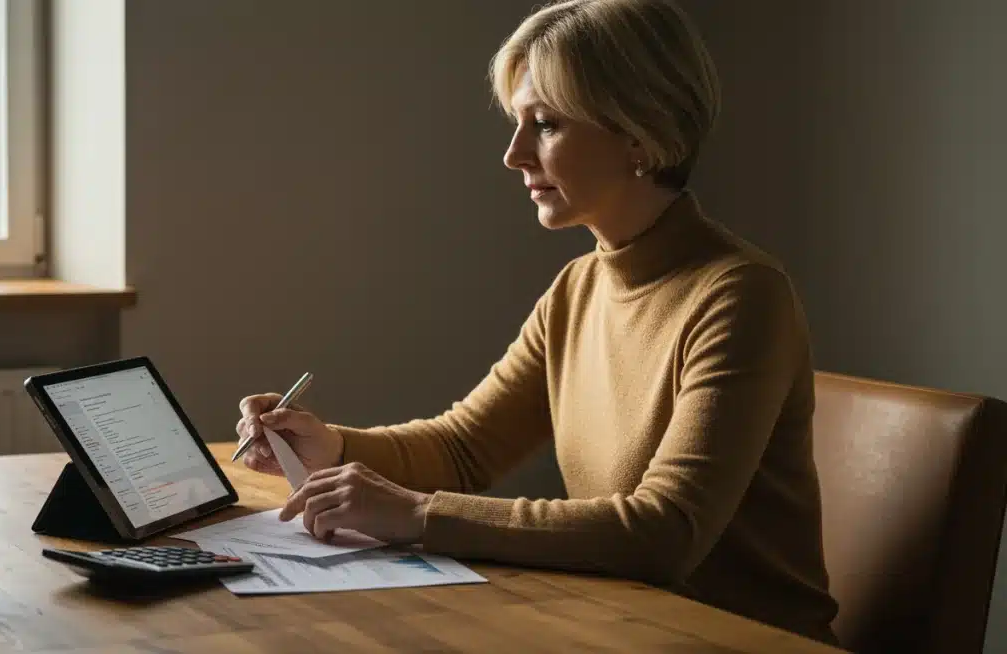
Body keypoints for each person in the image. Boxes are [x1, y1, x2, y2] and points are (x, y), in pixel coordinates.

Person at [235, 0, 839, 646]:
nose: (513, 154)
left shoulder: (741, 296)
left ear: (640, 135)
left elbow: (665, 532)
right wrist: (332, 447)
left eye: (544, 124)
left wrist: (414, 513)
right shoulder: (577, 289)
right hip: (623, 631)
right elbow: (464, 449)